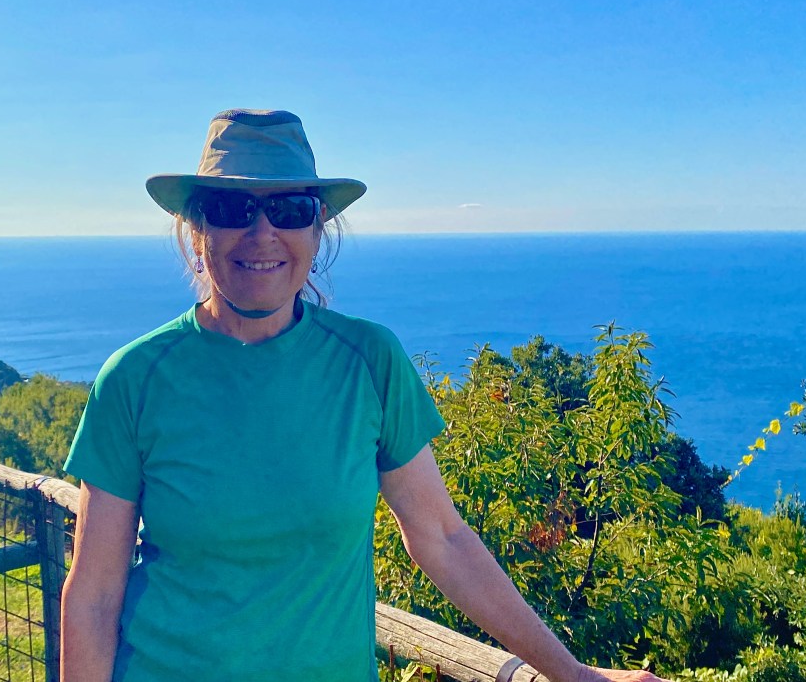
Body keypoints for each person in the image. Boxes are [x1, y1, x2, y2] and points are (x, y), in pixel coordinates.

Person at [60, 109, 668, 682]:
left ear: (318, 227)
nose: (262, 232)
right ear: (197, 230)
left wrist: (574, 674)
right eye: (230, 208)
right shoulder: (136, 379)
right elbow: (93, 593)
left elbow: (442, 539)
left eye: (290, 209)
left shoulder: (368, 362)